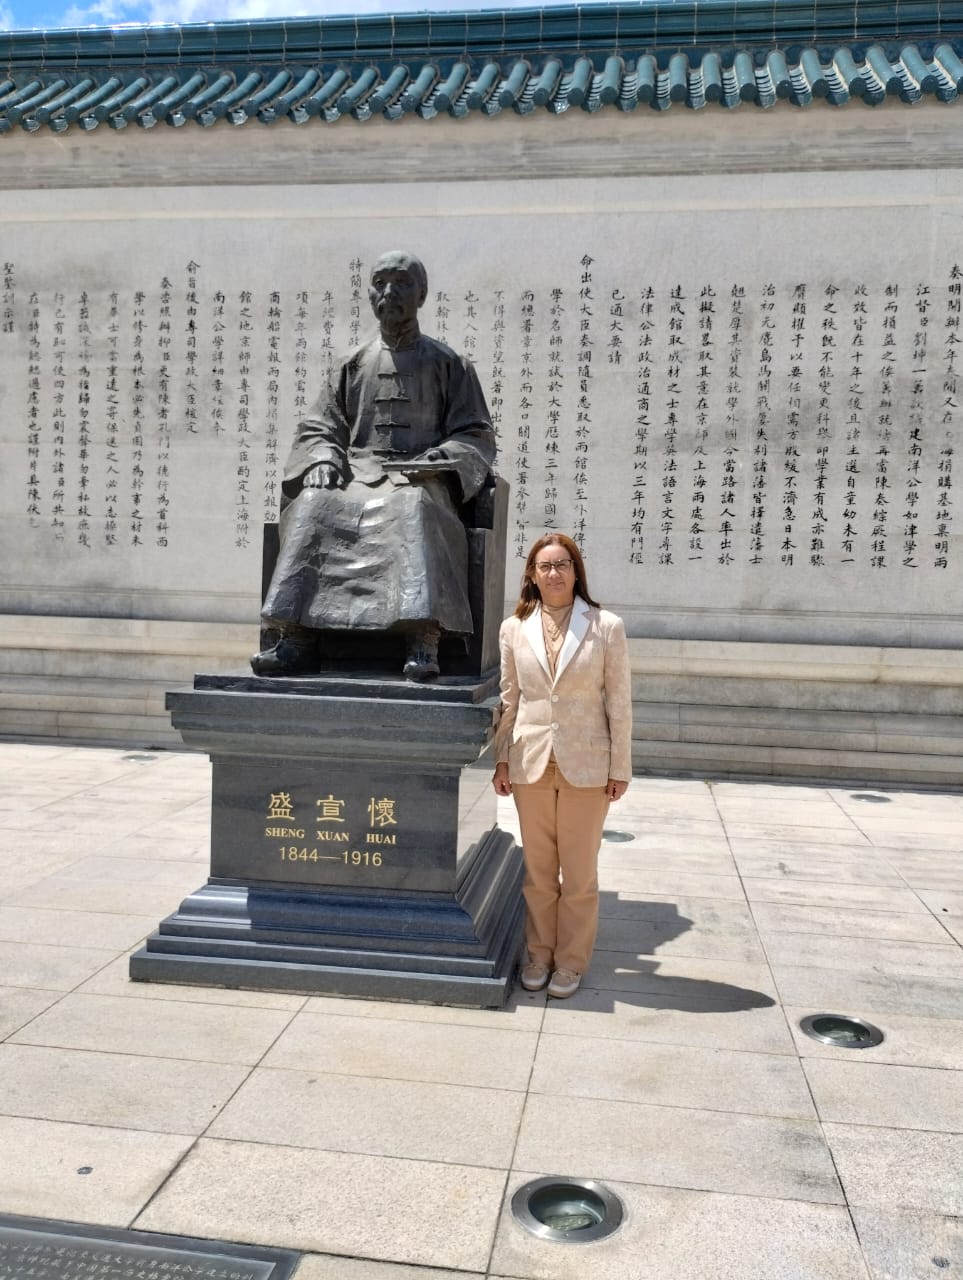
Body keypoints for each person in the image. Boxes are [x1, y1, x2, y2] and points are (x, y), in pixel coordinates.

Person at [252, 250, 495, 682]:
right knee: (313, 504)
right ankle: (297, 639)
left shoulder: (450, 364)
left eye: (401, 283)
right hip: (356, 474)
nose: (389, 292)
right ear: (368, 294)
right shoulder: (351, 363)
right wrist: (323, 458)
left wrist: (439, 461)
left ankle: (423, 637)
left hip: (422, 479)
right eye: (380, 283)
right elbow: (319, 427)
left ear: (422, 294)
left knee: (411, 507)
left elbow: (475, 434)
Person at [492, 533, 632, 999]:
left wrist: (620, 767)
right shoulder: (514, 628)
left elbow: (619, 703)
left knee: (579, 874)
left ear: (576, 571)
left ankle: (570, 963)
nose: (554, 573)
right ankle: (539, 955)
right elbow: (509, 699)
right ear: (532, 575)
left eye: (562, 564)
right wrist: (501, 759)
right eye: (545, 566)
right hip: (530, 762)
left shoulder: (606, 626)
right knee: (537, 871)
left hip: (587, 764)